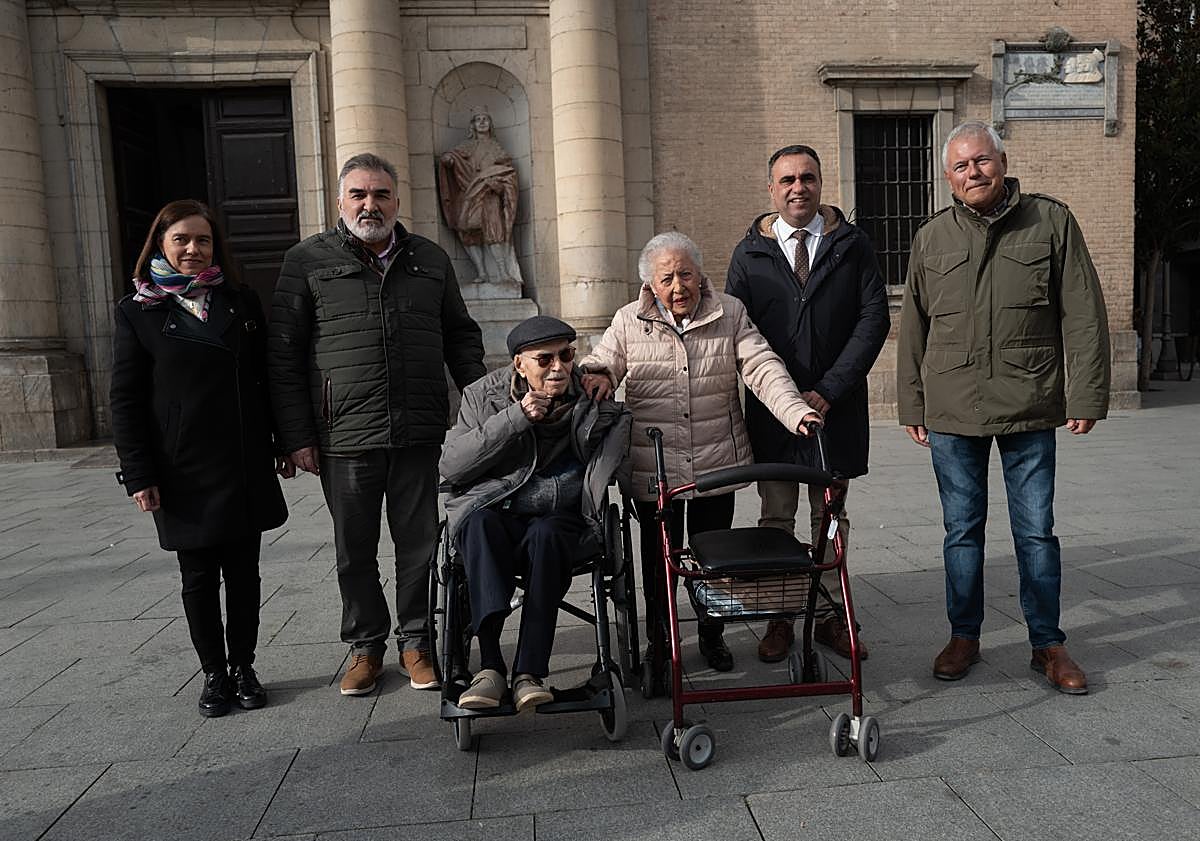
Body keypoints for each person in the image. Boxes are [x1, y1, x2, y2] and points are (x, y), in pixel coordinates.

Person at [897, 120, 1110, 695]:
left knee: (1035, 532)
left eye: (982, 160)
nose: (974, 172)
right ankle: (964, 635)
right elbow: (913, 325)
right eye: (962, 165)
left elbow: (1084, 314)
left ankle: (1048, 643)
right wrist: (911, 403)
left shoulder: (1050, 221)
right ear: (948, 177)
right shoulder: (932, 237)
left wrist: (1086, 393)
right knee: (961, 531)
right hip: (951, 407)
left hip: (1030, 402)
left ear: (1002, 160)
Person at [269, 152, 485, 696]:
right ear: (340, 201)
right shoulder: (306, 261)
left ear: (396, 200)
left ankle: (416, 642)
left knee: (418, 543)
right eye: (360, 195)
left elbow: (460, 336)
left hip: (418, 429)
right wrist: (296, 437)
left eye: (381, 194)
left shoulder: (429, 260)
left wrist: (482, 406)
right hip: (343, 434)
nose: (371, 205)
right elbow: (284, 355)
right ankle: (365, 647)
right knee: (354, 548)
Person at [580, 232, 822, 674]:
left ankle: (712, 637)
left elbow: (762, 366)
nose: (678, 287)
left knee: (716, 560)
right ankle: (661, 643)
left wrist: (796, 412)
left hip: (715, 467)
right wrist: (595, 377)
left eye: (685, 274)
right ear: (650, 285)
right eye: (667, 278)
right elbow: (603, 361)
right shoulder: (629, 320)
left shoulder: (729, 313)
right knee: (658, 566)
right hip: (655, 470)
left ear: (700, 274)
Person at [110, 199, 289, 718]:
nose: (193, 250)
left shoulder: (241, 301)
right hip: (181, 468)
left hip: (241, 461)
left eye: (203, 240)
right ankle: (213, 673)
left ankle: (244, 666)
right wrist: (139, 473)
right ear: (160, 246)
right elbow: (125, 399)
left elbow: (265, 379)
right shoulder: (137, 310)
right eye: (181, 240)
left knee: (245, 573)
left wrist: (279, 442)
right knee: (198, 578)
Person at [726, 144, 889, 665]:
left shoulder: (852, 244)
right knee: (776, 516)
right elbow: (737, 330)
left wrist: (830, 387)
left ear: (821, 184)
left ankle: (830, 617)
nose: (799, 188)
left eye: (808, 178)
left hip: (835, 410)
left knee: (831, 517)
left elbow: (873, 321)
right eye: (788, 180)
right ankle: (779, 617)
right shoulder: (749, 252)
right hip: (774, 414)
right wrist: (780, 395)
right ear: (771, 189)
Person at [439, 316, 631, 710]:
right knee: (477, 525)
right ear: (519, 364)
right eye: (545, 359)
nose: (558, 367)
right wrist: (515, 419)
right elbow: (451, 466)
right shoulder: (483, 396)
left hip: (557, 515)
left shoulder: (589, 394)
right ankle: (489, 667)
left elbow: (614, 444)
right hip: (496, 506)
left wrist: (606, 399)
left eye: (566, 355)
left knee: (550, 534)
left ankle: (529, 672)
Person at [438, 110, 524, 287]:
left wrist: (498, 186)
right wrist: (448, 160)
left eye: (485, 119)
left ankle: (503, 273)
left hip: (489, 196)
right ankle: (482, 272)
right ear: (473, 125)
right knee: (468, 234)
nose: (482, 122)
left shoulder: (496, 148)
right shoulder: (466, 147)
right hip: (468, 194)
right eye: (478, 120)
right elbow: (452, 159)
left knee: (494, 233)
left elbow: (507, 174)